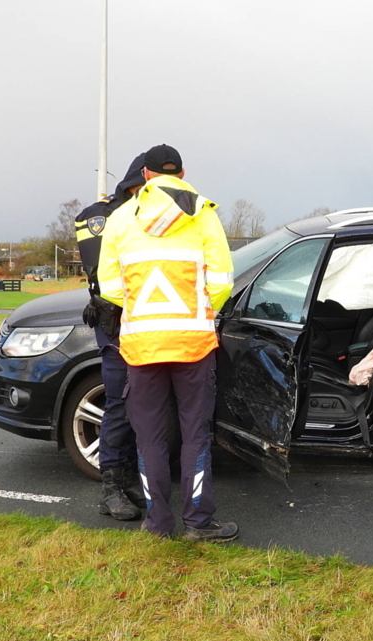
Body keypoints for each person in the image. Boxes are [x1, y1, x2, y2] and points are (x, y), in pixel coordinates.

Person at [97, 144, 237, 541]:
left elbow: (110, 288)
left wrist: (141, 311)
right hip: (193, 344)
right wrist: (201, 312)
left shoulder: (121, 219)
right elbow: (223, 282)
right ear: (182, 173)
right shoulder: (203, 214)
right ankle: (198, 522)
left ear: (145, 175)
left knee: (150, 437)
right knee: (195, 435)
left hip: (141, 347)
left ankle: (158, 523)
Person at [76, 154, 150, 521]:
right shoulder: (101, 216)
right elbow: (104, 274)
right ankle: (111, 488)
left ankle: (130, 478)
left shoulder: (152, 213)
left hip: (150, 326)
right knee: (120, 402)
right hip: (117, 325)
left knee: (143, 404)